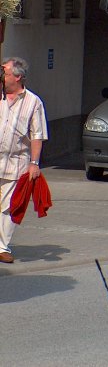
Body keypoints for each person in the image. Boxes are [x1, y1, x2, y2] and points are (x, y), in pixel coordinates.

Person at [0, 57, 48, 264]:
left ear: (18, 77)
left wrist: (34, 163)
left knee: (10, 206)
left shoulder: (33, 102)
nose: (2, 76)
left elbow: (37, 134)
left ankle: (2, 247)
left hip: (17, 162)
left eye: (5, 73)